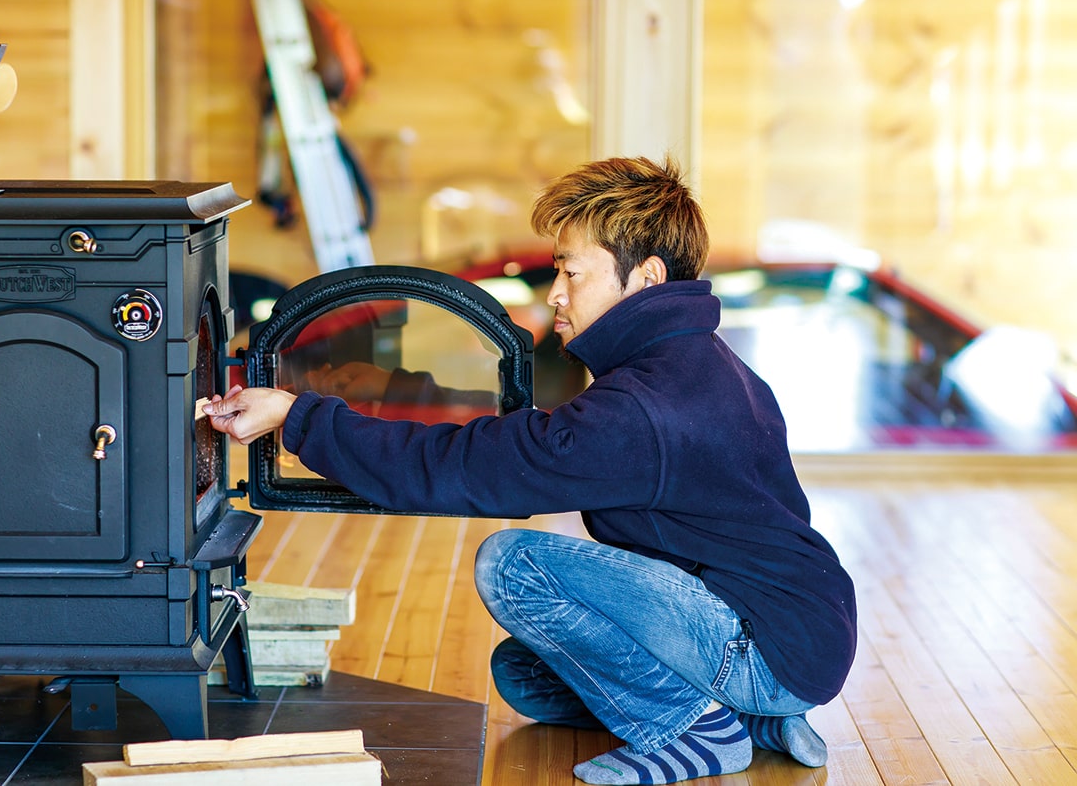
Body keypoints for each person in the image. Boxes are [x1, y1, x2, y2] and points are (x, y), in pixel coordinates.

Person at [206, 155, 857, 785]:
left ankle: (702, 732)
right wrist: (378, 391)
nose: (557, 294)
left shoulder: (642, 409)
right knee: (525, 673)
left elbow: (469, 468)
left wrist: (298, 418)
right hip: (800, 626)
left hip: (764, 642)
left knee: (513, 566)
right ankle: (754, 716)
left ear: (648, 277)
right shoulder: (697, 364)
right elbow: (524, 438)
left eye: (572, 272)